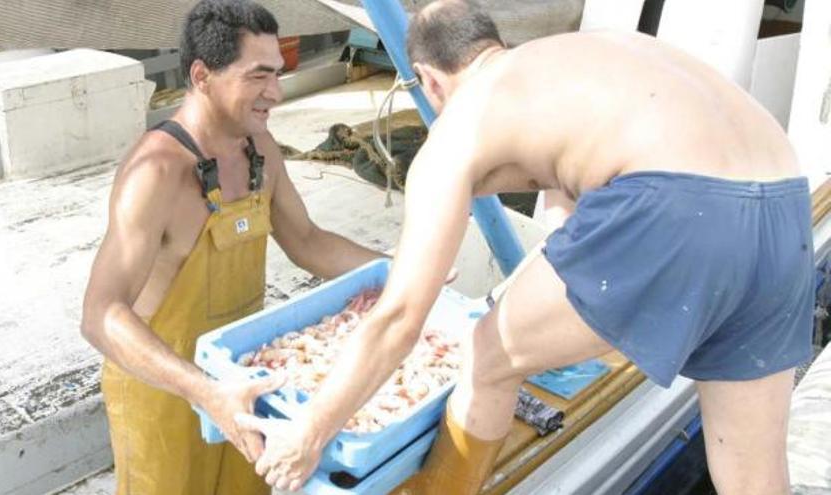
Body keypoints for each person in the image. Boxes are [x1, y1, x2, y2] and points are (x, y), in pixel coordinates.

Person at [236, 1, 815, 494]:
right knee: (752, 475)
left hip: (677, 203)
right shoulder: (571, 59)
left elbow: (400, 316)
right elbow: (576, 214)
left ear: (428, 80)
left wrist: (310, 431)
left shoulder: (459, 125)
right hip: (787, 201)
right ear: (495, 43)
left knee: (489, 356)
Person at [80, 1, 383, 493]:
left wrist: (402, 272)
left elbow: (307, 242)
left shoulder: (260, 149)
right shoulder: (155, 171)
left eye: (279, 74)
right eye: (259, 76)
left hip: (243, 381)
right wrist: (206, 393)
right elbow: (100, 314)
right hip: (165, 394)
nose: (277, 93)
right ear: (202, 76)